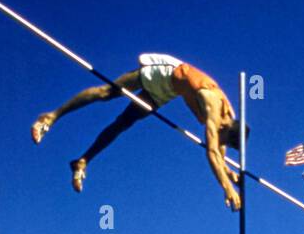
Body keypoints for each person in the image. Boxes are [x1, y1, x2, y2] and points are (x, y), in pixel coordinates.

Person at [31, 53, 244, 209]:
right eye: (222, 137)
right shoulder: (213, 108)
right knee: (106, 93)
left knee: (123, 123)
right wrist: (226, 187)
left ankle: (83, 160)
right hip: (164, 74)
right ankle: (50, 116)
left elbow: (219, 151)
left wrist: (228, 174)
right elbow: (212, 152)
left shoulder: (227, 120)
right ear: (225, 128)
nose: (219, 140)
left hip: (167, 92)